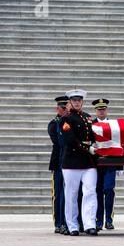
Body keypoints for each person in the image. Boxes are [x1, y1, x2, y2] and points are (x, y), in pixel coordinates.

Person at [60, 89, 99, 236]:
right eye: (74, 100)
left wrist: (96, 146)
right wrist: (87, 148)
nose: (77, 102)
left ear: (82, 101)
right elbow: (69, 140)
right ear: (70, 102)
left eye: (79, 100)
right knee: (71, 194)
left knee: (90, 192)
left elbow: (94, 136)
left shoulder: (88, 117)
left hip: (88, 162)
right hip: (72, 161)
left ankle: (89, 224)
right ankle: (72, 225)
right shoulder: (66, 118)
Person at [91, 98, 123, 231]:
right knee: (97, 191)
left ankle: (109, 219)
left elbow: (119, 143)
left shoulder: (113, 125)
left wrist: (119, 166)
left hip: (110, 163)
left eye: (103, 109)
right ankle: (98, 220)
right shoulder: (90, 124)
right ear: (95, 111)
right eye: (99, 109)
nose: (101, 111)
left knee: (109, 190)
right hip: (96, 163)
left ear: (107, 110)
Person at [48, 95, 69, 234]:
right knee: (58, 193)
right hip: (58, 162)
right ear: (57, 108)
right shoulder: (54, 123)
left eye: (66, 107)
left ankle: (68, 221)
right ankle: (58, 222)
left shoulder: (70, 121)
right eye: (63, 108)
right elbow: (58, 142)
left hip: (70, 162)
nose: (65, 110)